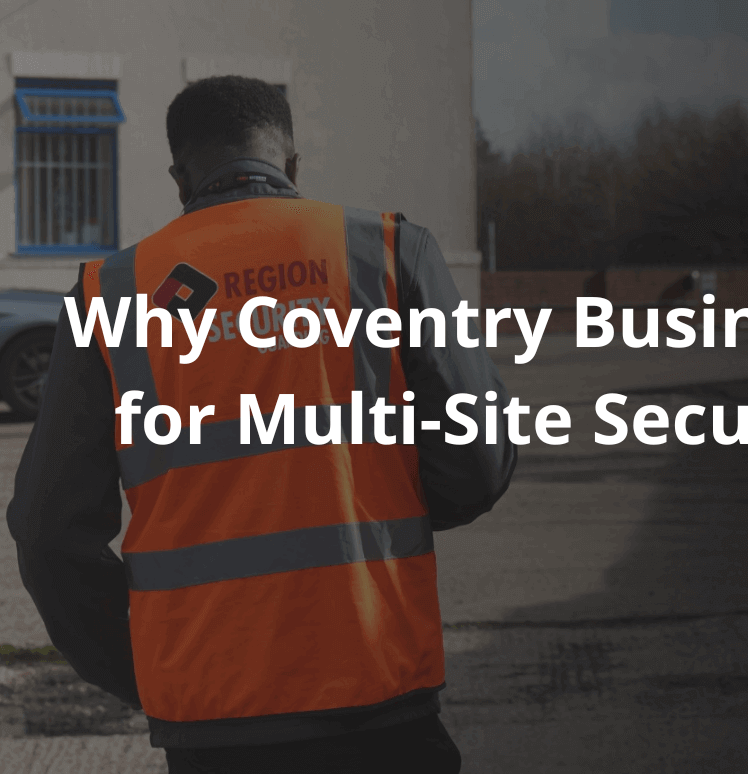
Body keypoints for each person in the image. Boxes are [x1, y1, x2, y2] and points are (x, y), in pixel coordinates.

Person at [8, 76, 516, 773]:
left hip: (213, 719)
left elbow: (46, 530)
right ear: (293, 164)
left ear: (179, 176)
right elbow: (479, 462)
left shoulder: (115, 293)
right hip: (378, 690)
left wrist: (144, 671)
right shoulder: (388, 254)